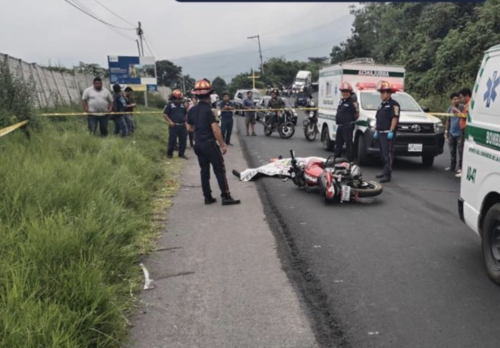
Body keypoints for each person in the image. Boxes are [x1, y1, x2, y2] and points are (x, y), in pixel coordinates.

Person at [187, 78, 240, 205]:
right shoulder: (210, 110)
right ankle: (226, 196)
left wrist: (199, 128)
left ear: (196, 95)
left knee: (204, 171)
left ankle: (207, 197)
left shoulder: (192, 110)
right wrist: (222, 145)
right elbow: (216, 130)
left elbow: (189, 128)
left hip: (198, 144)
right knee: (219, 169)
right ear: (209, 95)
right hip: (209, 144)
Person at [373, 81, 400, 183]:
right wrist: (376, 130)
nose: (382, 94)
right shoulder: (381, 105)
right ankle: (384, 171)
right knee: (381, 154)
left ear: (389, 94)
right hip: (380, 132)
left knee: (388, 154)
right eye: (381, 92)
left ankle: (387, 174)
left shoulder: (394, 105)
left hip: (387, 133)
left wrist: (391, 130)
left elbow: (394, 118)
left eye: (384, 92)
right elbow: (378, 118)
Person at [334, 82, 359, 161]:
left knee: (348, 144)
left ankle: (350, 162)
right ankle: (336, 160)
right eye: (343, 91)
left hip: (347, 126)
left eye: (346, 92)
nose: (345, 93)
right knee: (338, 144)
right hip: (340, 126)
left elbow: (356, 114)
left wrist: (350, 122)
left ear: (350, 92)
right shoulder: (341, 101)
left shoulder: (353, 102)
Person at [163, 89, 188, 159]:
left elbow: (185, 114)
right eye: (178, 99)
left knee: (183, 140)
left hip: (182, 126)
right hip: (173, 126)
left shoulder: (183, 105)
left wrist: (186, 122)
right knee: (172, 140)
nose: (179, 100)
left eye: (180, 99)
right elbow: (165, 114)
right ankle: (169, 154)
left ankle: (181, 153)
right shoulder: (169, 105)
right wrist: (170, 121)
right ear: (174, 98)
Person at [445, 92, 464, 172]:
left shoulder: (462, 107)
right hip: (452, 133)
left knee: (460, 151)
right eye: (454, 99)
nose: (456, 100)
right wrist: (446, 131)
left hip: (460, 133)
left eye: (457, 99)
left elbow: (465, 116)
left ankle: (461, 167)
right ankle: (452, 166)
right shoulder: (449, 109)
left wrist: (457, 111)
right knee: (452, 151)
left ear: (459, 100)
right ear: (451, 101)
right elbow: (448, 121)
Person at [456, 88, 471, 178]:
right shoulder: (466, 105)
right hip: (463, 129)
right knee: (461, 148)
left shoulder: (469, 105)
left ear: (467, 96)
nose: (461, 99)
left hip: (465, 129)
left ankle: (463, 169)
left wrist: (457, 112)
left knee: (463, 149)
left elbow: (466, 117)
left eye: (462, 97)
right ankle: (462, 168)